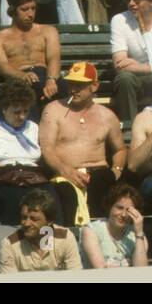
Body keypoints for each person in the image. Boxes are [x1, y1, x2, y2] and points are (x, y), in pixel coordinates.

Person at [39, 62, 126, 227]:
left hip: (99, 176)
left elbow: (120, 149)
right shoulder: (53, 110)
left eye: (80, 85)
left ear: (94, 86)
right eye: (71, 83)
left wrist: (116, 171)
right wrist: (67, 171)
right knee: (65, 195)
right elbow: (47, 148)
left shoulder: (107, 115)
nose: (73, 89)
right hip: (65, 176)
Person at [0, 80, 48, 225]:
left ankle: (51, 241)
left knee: (51, 196)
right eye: (16, 112)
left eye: (26, 111)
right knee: (17, 197)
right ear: (3, 108)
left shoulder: (32, 127)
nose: (22, 117)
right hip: (2, 180)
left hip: (32, 178)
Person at [0, 0, 61, 119]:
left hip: (46, 76)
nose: (31, 14)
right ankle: (31, 131)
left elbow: (54, 58)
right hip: (18, 78)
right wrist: (22, 75)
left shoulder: (48, 31)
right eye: (25, 9)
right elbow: (1, 65)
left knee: (67, 88)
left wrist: (51, 80)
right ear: (13, 11)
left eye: (33, 8)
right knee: (24, 92)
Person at [0, 187, 83, 272]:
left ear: (49, 221)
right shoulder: (9, 245)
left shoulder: (65, 238)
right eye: (24, 218)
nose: (26, 223)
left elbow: (76, 276)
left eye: (34, 219)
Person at [81, 183, 149, 268]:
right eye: (119, 208)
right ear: (110, 207)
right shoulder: (92, 231)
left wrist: (139, 234)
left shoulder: (139, 237)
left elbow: (142, 272)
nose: (123, 214)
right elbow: (101, 270)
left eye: (128, 210)